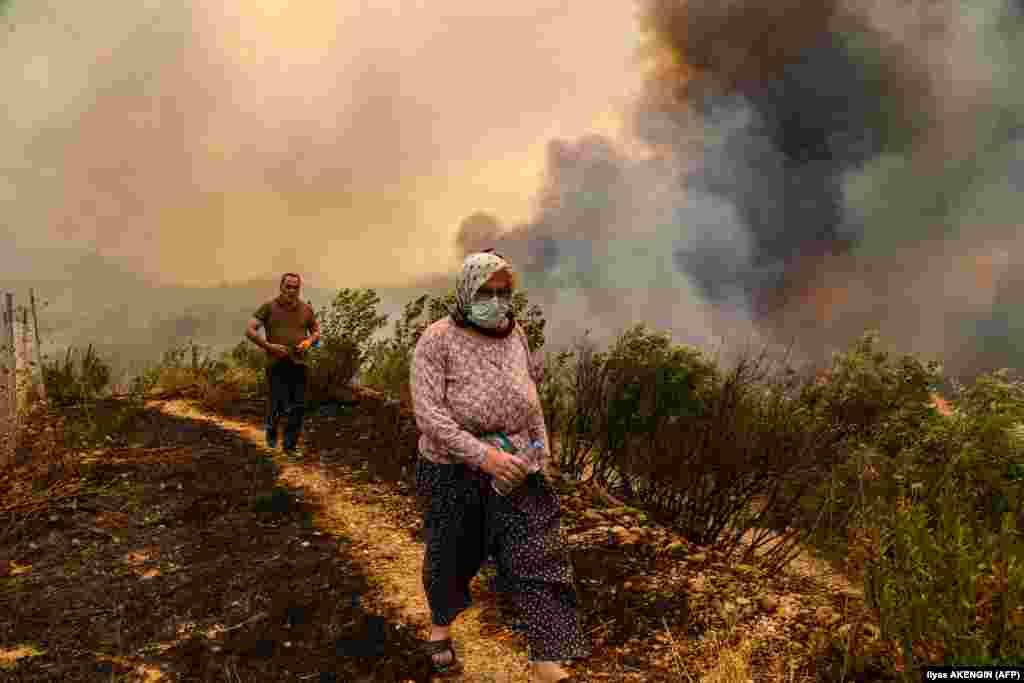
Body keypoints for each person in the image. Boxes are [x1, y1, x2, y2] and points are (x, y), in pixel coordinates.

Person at [410, 251, 588, 682]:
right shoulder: (438, 339)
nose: (496, 301)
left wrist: (539, 451)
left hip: (516, 469)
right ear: (467, 290)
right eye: (486, 292)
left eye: (503, 292)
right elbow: (430, 415)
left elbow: (529, 396)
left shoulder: (515, 335)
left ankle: (547, 659)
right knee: (452, 554)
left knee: (538, 555)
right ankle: (440, 629)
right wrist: (485, 457)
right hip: (454, 470)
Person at [245, 272, 320, 459]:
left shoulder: (306, 309)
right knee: (277, 403)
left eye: (295, 287)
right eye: (288, 286)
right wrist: (269, 346)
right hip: (276, 363)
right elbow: (249, 330)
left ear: (299, 289)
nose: (292, 290)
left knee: (299, 406)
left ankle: (289, 446)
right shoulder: (269, 307)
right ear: (281, 287)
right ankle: (271, 433)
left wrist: (309, 342)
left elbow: (316, 331)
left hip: (300, 363)